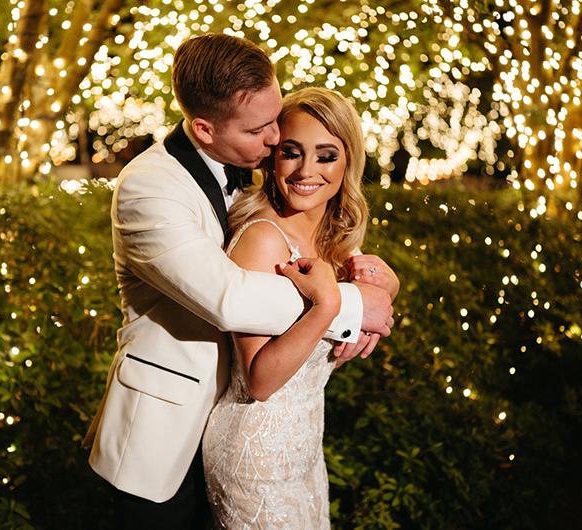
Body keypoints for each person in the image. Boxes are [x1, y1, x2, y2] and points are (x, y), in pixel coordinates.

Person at [82, 34, 396, 530]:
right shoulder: (149, 189)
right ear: (205, 129)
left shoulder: (250, 165)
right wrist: (350, 304)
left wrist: (379, 280)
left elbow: (318, 239)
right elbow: (231, 299)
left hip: (261, 431)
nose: (275, 140)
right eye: (261, 129)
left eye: (276, 120)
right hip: (168, 430)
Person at [202, 87, 398, 529]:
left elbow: (360, 314)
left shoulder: (333, 239)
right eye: (292, 152)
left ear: (348, 163)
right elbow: (260, 381)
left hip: (305, 446)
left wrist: (389, 289)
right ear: (274, 157)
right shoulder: (263, 240)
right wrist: (328, 304)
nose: (306, 170)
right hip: (256, 453)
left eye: (326, 156)